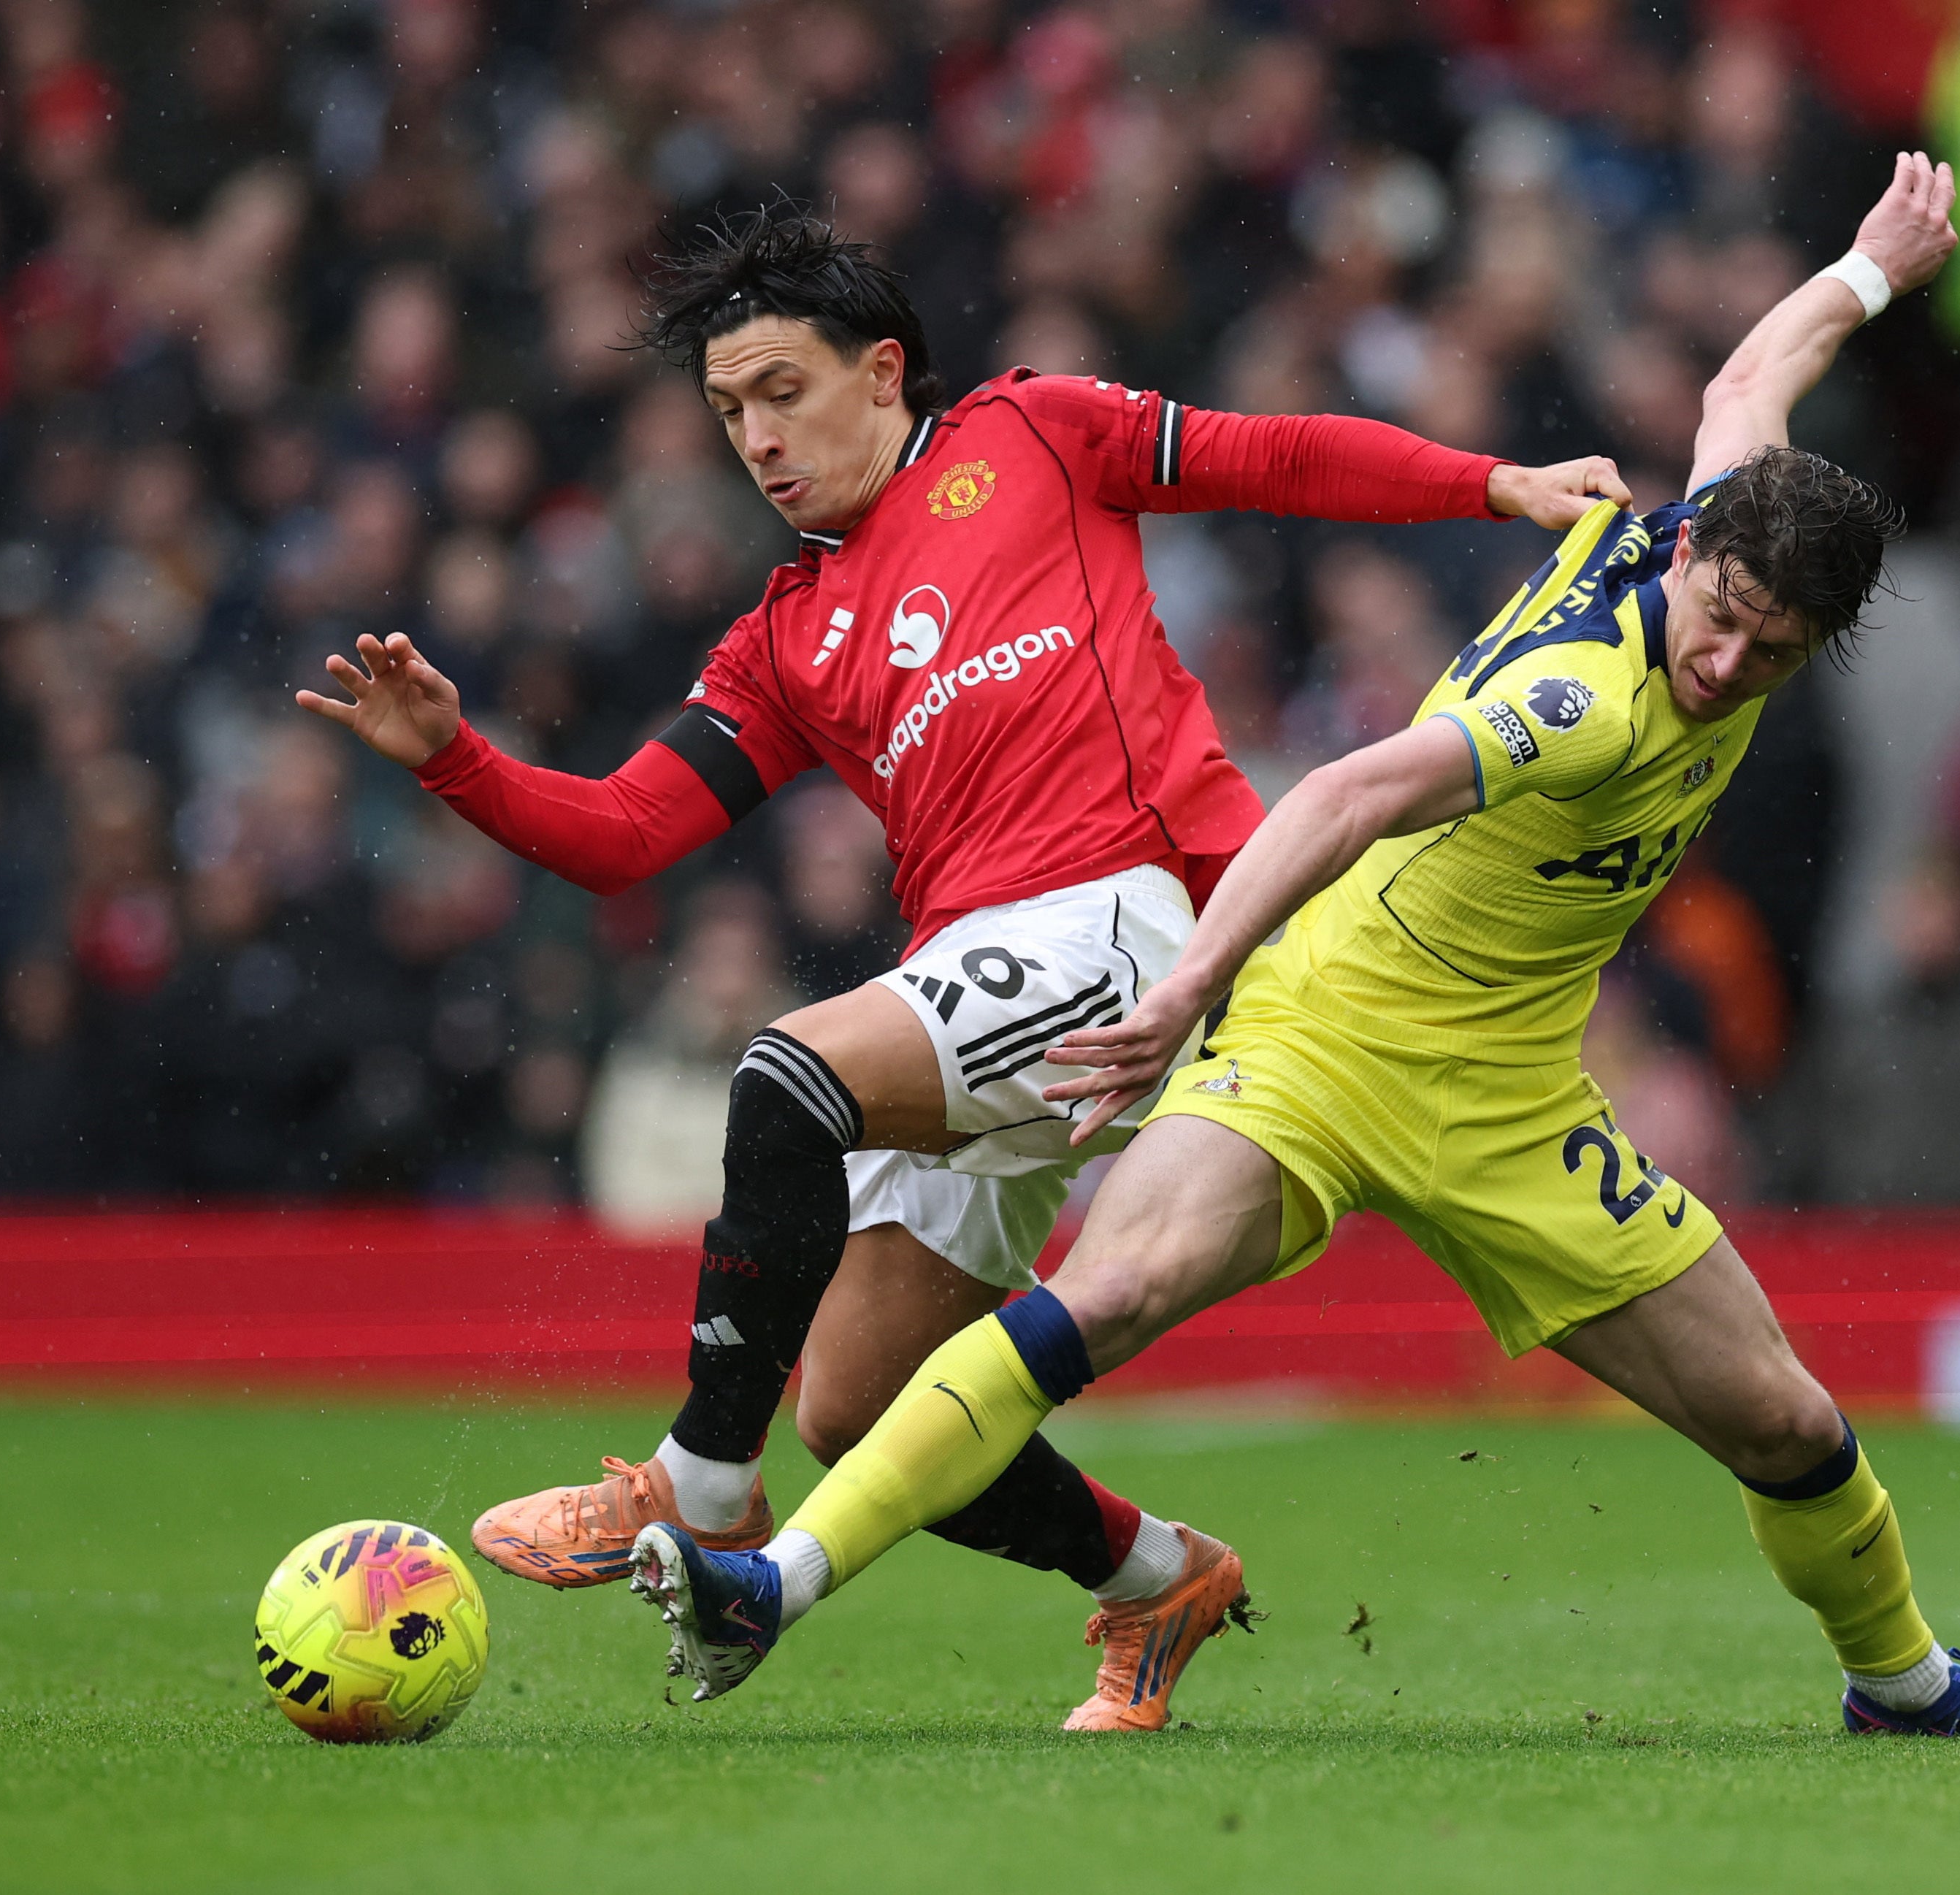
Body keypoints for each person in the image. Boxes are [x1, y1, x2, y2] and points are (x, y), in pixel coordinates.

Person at [630, 156, 1960, 1741]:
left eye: (1770, 653)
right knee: (1102, 1297)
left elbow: (1753, 371)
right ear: (1689, 555)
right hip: (1319, 1038)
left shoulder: (1725, 522)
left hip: (1509, 1095)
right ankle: (772, 1583)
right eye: (1720, 616)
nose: (1724, 660)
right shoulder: (1584, 705)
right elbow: (1344, 793)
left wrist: (1873, 267)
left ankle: (1904, 1685)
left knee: (1786, 1422)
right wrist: (1193, 987)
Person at [295, 205, 1622, 1730]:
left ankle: (699, 1486)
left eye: (782, 391)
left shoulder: (1034, 434)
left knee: (787, 1076)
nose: (757, 438)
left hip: (1133, 918)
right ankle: (1159, 1576)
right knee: (861, 1408)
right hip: (982, 965)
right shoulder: (785, 639)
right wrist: (453, 758)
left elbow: (1271, 455)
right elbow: (625, 832)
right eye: (729, 411)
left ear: (883, 371)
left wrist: (1494, 483)